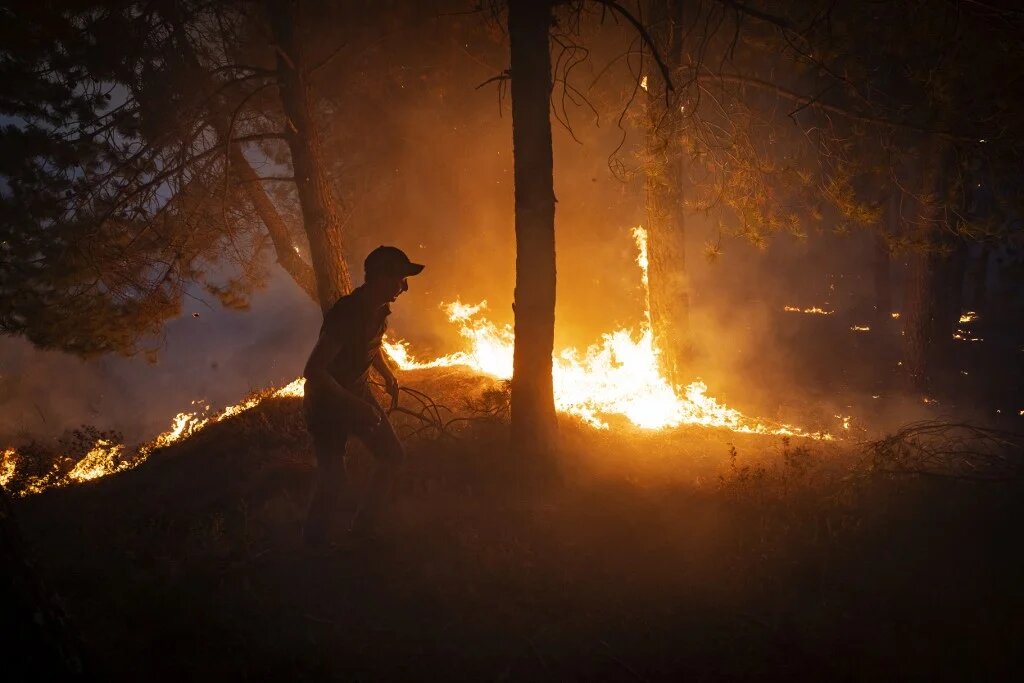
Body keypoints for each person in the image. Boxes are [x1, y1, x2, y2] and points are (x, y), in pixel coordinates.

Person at [302, 246, 424, 547]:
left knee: (392, 456)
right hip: (327, 405)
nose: (405, 286)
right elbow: (314, 370)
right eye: (401, 278)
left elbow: (372, 345)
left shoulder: (380, 310)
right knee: (334, 479)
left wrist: (386, 373)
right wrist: (355, 404)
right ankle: (313, 546)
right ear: (382, 277)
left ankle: (363, 531)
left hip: (356, 395)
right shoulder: (347, 313)